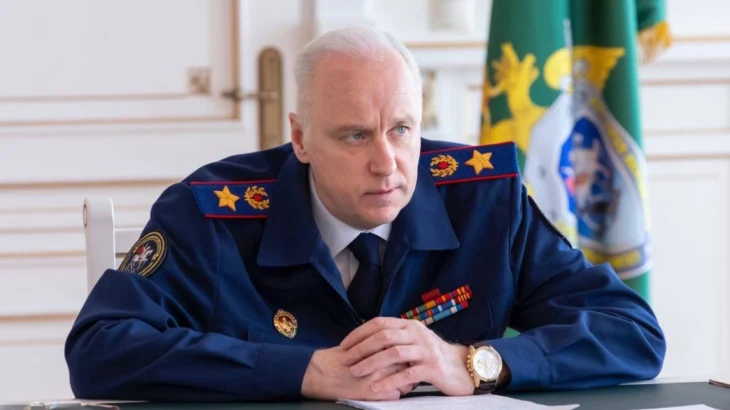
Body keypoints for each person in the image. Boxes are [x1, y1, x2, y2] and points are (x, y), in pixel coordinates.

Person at [64, 25, 665, 402]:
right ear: (301, 138)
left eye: (402, 130)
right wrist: (305, 371)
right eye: (355, 135)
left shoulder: (485, 199)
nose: (387, 163)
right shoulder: (211, 213)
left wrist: (475, 362)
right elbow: (99, 349)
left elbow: (632, 331)